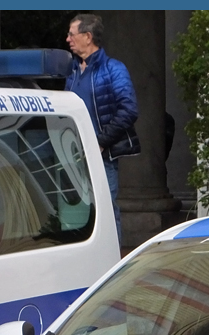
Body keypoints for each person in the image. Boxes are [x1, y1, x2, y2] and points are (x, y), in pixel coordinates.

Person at [65, 13, 140, 239]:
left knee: (105, 212)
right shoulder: (72, 71)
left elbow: (129, 110)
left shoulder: (114, 69)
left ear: (88, 37)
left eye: (71, 34)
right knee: (80, 215)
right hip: (73, 156)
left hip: (102, 156)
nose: (67, 39)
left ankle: (112, 266)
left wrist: (100, 142)